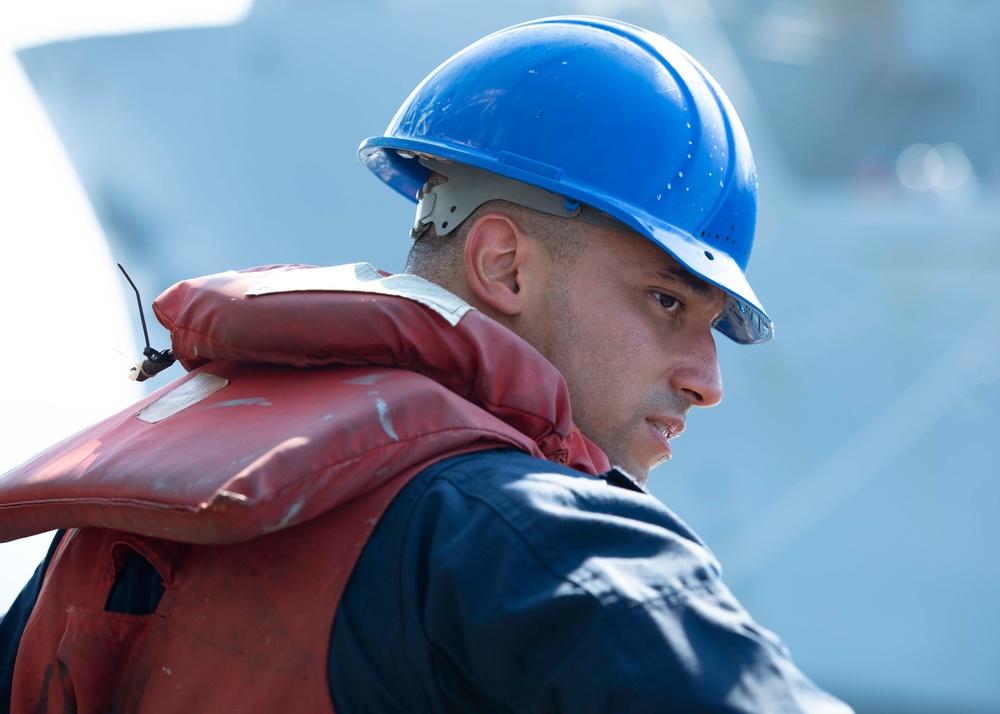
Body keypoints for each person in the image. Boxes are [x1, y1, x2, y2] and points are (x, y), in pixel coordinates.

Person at [0, 15, 853, 713]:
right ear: (504, 266)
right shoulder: (539, 542)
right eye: (668, 302)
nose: (707, 380)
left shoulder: (113, 530)